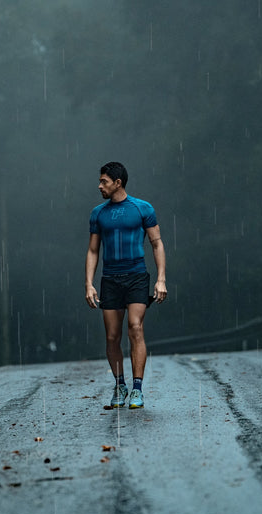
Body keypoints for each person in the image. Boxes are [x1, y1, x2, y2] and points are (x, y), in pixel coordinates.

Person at [85, 161, 167, 409]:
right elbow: (92, 250)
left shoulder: (142, 208)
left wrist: (161, 279)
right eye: (100, 181)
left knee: (135, 327)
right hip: (110, 278)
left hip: (136, 276)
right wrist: (88, 284)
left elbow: (157, 244)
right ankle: (120, 385)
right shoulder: (98, 213)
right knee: (112, 336)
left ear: (117, 183)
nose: (99, 186)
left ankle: (138, 389)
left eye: (104, 181)